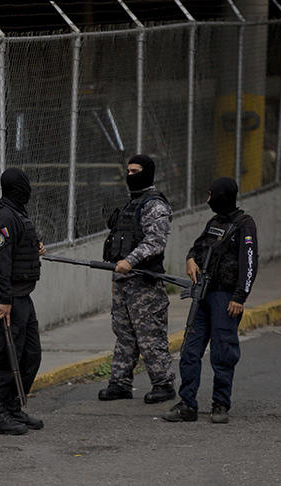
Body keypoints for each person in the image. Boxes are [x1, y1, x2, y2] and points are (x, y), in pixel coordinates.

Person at [163, 177, 258, 424]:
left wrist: (240, 296)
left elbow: (249, 264)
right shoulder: (214, 222)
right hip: (203, 295)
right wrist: (190, 260)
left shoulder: (244, 225)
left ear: (222, 195)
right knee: (190, 350)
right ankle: (187, 404)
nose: (208, 199)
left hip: (226, 297)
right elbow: (197, 248)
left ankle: (220, 404)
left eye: (210, 194)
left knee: (223, 352)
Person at [99, 154, 176, 404]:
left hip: (144, 283)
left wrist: (130, 261)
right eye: (128, 171)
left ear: (147, 172)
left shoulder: (155, 205)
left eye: (135, 171)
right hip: (123, 282)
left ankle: (163, 383)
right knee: (123, 333)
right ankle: (120, 382)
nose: (130, 175)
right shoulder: (131, 204)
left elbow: (155, 241)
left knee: (149, 334)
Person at [0, 167, 46, 435]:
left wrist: (36, 246)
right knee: (5, 357)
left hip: (22, 297)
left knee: (30, 354)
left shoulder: (17, 213)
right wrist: (4, 300)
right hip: (5, 299)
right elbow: (0, 262)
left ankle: (14, 407)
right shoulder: (3, 216)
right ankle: (0, 413)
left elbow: (20, 245)